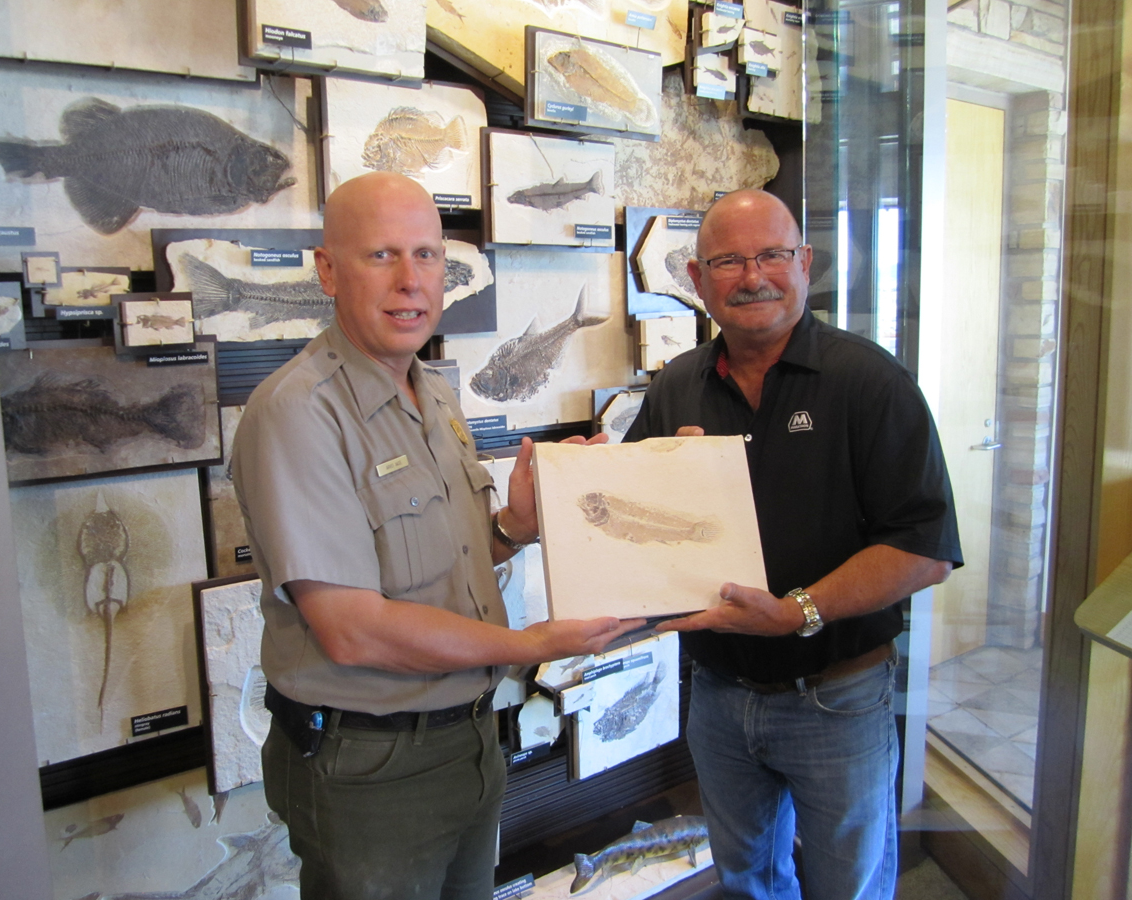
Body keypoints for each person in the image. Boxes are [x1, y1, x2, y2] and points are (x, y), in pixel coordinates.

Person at [231, 171, 643, 900]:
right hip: (372, 769)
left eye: (426, 256)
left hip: (470, 742)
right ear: (328, 269)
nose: (410, 281)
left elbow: (440, 558)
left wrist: (515, 525)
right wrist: (533, 646)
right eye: (381, 255)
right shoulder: (297, 413)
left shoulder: (433, 390)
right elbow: (354, 631)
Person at [624, 189, 963, 900]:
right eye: (727, 261)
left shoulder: (870, 381)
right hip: (716, 695)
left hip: (836, 700)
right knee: (746, 880)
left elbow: (925, 547)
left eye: (772, 254)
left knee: (850, 885)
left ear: (804, 263)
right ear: (694, 278)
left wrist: (797, 611)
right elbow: (629, 514)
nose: (752, 275)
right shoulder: (677, 387)